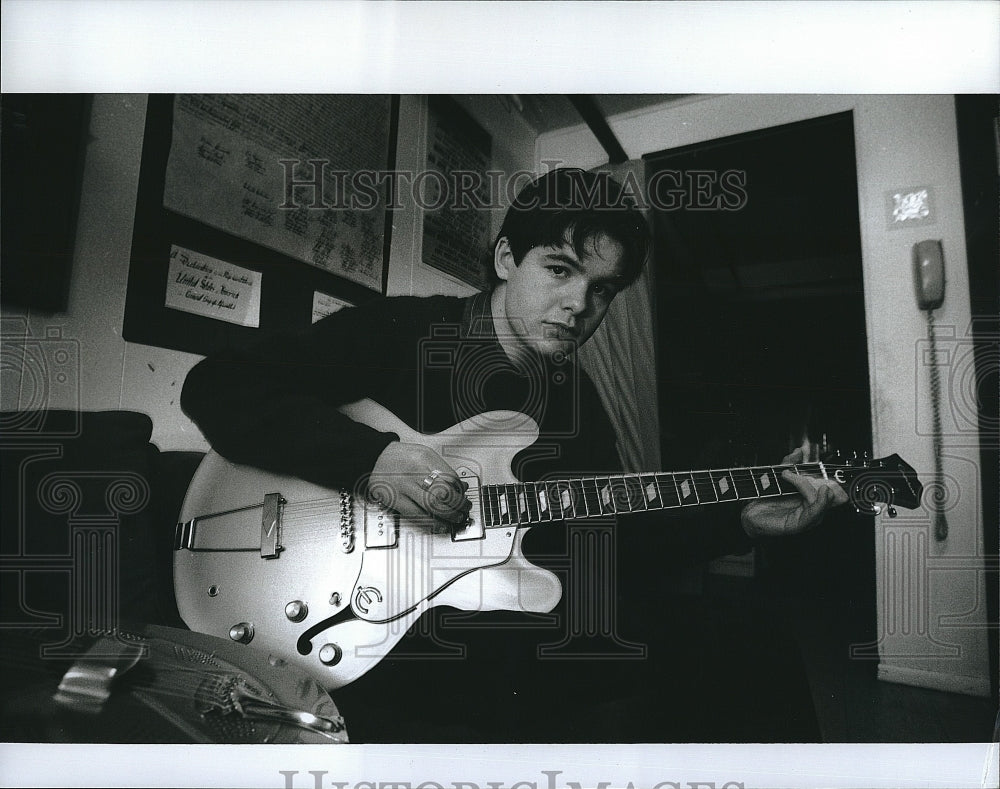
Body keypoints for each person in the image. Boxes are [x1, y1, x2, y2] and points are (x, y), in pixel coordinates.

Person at [181, 167, 848, 742]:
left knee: (756, 641)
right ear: (506, 258)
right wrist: (374, 460)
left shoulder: (576, 399)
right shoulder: (403, 332)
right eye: (559, 269)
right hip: (350, 613)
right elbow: (216, 383)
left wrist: (735, 523)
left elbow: (607, 540)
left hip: (488, 621)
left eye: (603, 289)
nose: (579, 304)